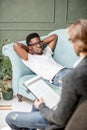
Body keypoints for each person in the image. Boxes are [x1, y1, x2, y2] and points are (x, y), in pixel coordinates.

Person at [6, 19, 87, 130]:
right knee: (37, 101)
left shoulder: (46, 51)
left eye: (39, 42)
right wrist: (29, 49)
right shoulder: (29, 58)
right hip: (58, 77)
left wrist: (40, 44)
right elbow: (16, 45)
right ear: (29, 47)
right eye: (35, 44)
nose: (38, 45)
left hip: (66, 72)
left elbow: (54, 36)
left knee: (14, 116)